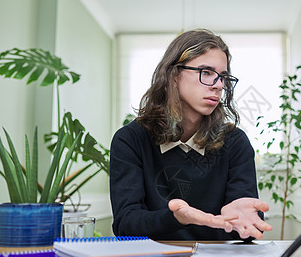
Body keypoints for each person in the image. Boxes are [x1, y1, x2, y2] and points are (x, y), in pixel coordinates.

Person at [110, 29, 272, 241]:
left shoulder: (235, 142)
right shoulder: (130, 140)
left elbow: (247, 228)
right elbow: (126, 224)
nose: (219, 85)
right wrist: (176, 218)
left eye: (223, 77)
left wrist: (242, 221)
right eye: (206, 72)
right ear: (174, 75)